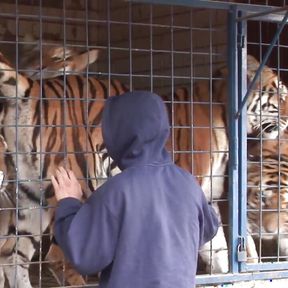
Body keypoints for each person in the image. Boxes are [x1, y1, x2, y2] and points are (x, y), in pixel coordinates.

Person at [51, 90, 219, 288]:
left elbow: (85, 256)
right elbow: (209, 226)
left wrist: (69, 204)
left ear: (117, 134)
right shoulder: (189, 184)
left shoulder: (116, 191)